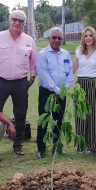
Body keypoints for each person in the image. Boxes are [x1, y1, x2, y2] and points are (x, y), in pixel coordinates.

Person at [0, 10, 37, 156]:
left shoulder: (29, 40)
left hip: (21, 82)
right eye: (15, 19)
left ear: (24, 24)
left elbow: (33, 62)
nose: (17, 23)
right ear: (10, 20)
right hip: (0, 81)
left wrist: (31, 79)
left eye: (20, 21)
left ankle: (18, 144)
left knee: (20, 114)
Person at [35, 27, 74, 158]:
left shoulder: (66, 54)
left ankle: (57, 146)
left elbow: (70, 74)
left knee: (58, 120)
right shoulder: (42, 55)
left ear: (62, 39)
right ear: (49, 39)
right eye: (54, 37)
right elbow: (44, 77)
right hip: (47, 91)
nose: (57, 40)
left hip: (61, 93)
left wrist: (64, 90)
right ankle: (41, 148)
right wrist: (57, 90)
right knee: (44, 119)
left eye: (59, 38)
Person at [72, 26, 96, 153]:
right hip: (80, 85)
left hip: (94, 84)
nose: (88, 38)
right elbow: (73, 69)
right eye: (85, 36)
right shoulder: (79, 51)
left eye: (90, 35)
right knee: (80, 116)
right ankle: (81, 146)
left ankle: (92, 146)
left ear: (94, 36)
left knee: (94, 116)